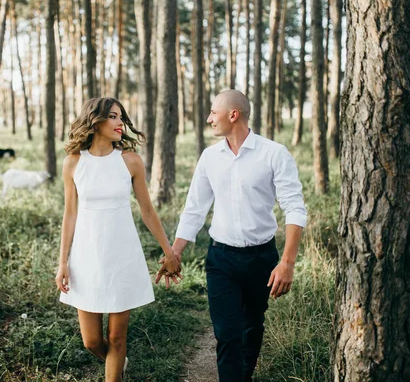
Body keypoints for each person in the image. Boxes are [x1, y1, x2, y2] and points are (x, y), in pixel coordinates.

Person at [162, 90, 307, 381]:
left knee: (252, 327)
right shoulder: (209, 157)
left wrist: (287, 262)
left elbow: (295, 208)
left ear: (233, 114)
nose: (208, 118)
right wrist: (175, 252)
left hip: (262, 259)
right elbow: (194, 209)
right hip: (221, 259)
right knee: (227, 334)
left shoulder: (274, 153)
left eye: (213, 112)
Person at [56, 97, 181, 381]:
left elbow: (147, 211)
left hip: (122, 255)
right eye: (113, 117)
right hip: (86, 258)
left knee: (116, 339)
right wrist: (62, 262)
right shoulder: (73, 163)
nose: (120, 123)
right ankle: (118, 363)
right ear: (95, 120)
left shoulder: (130, 162)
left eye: (121, 117)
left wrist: (169, 251)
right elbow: (70, 215)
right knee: (91, 342)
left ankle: (115, 370)